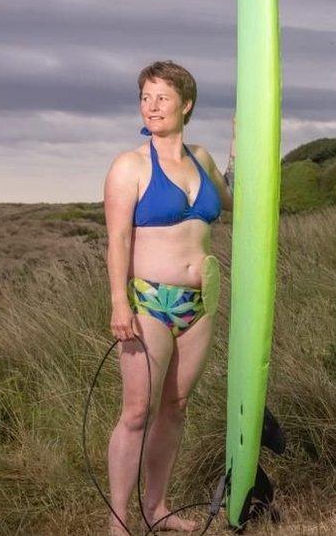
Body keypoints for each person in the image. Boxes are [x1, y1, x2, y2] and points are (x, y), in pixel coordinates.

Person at [103, 60, 234, 534]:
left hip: (201, 304)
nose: (151, 106)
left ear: (186, 104)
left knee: (175, 410)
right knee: (138, 412)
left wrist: (241, 148)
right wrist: (120, 303)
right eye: (145, 97)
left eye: (162, 97)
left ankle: (156, 510)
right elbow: (117, 240)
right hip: (149, 301)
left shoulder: (202, 157)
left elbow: (232, 199)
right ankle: (120, 523)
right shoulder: (130, 165)